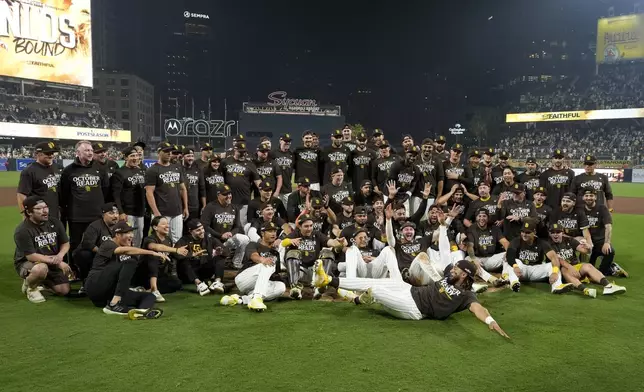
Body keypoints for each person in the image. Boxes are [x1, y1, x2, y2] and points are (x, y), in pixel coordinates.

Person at [310, 255, 509, 338]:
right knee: (378, 283)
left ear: (464, 274)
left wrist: (490, 321)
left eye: (457, 269)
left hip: (414, 310)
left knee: (376, 291)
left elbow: (478, 309)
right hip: (409, 292)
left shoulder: (467, 295)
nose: (453, 269)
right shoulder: (449, 277)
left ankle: (359, 299)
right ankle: (327, 280)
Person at [84, 221, 166, 319]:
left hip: (109, 294)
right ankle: (114, 305)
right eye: (127, 233)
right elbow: (125, 251)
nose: (131, 236)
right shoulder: (108, 244)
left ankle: (141, 312)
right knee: (130, 262)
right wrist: (152, 253)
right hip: (96, 285)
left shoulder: (130, 251)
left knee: (150, 296)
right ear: (117, 234)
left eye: (131, 233)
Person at [60, 140, 109, 272]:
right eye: (86, 150)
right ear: (77, 153)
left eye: (91, 150)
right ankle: (75, 270)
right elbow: (64, 193)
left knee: (98, 243)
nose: (90, 153)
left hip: (97, 215)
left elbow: (105, 190)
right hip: (77, 216)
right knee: (75, 244)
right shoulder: (68, 170)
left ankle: (96, 268)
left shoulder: (100, 168)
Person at [14, 196, 71, 303]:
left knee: (64, 290)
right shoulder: (22, 230)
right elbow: (31, 256)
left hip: (51, 261)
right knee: (40, 268)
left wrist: (60, 256)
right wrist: (58, 263)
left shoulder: (55, 222)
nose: (45, 211)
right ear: (29, 212)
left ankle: (41, 281)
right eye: (39, 209)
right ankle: (31, 288)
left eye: (45, 207)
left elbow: (65, 243)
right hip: (28, 262)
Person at [547, 223, 626, 297]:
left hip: (575, 267)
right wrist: (570, 267)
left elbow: (583, 250)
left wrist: (588, 248)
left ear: (562, 233)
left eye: (558, 232)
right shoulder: (548, 244)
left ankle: (608, 286)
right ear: (549, 234)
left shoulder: (569, 240)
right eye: (553, 232)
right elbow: (558, 260)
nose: (555, 234)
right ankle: (585, 290)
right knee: (564, 269)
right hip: (560, 271)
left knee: (588, 266)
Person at [222, 222, 287, 311]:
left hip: (258, 284)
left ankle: (242, 299)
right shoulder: (253, 244)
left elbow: (275, 275)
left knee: (281, 286)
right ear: (262, 233)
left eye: (275, 231)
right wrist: (262, 260)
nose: (273, 233)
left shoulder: (275, 252)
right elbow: (254, 256)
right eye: (270, 231)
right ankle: (257, 299)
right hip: (244, 279)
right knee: (268, 264)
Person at [281, 214, 346, 299]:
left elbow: (331, 242)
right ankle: (295, 288)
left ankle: (320, 286)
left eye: (311, 226)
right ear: (300, 227)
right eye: (306, 226)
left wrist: (339, 242)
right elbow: (283, 243)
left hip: (314, 271)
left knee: (328, 253)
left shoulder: (317, 234)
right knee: (292, 253)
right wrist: (290, 240)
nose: (309, 229)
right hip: (299, 271)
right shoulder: (295, 234)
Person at [503, 220, 574, 294]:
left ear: (534, 232)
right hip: (521, 270)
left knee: (552, 265)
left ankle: (556, 287)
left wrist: (555, 272)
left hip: (535, 270)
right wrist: (515, 266)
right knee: (512, 260)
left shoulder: (541, 242)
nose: (524, 234)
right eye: (523, 232)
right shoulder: (516, 241)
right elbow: (510, 255)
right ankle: (514, 283)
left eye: (527, 232)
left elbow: (553, 257)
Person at [145, 141, 189, 244]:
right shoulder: (152, 170)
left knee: (177, 240)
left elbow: (183, 189)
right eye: (166, 151)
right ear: (159, 152)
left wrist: (185, 207)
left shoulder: (176, 168)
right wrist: (156, 212)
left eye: (170, 151)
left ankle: (174, 260)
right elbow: (149, 192)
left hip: (177, 212)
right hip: (162, 212)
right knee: (160, 240)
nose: (169, 154)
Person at [200, 184, 250, 269]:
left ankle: (236, 263)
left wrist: (231, 233)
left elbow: (237, 226)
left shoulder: (234, 207)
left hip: (227, 240)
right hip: (213, 241)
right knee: (213, 267)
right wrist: (220, 235)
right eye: (225, 194)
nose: (229, 196)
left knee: (245, 239)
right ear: (218, 195)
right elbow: (205, 226)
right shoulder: (210, 207)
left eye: (230, 194)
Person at [139, 216, 187, 302]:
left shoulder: (168, 239)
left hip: (160, 275)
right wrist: (176, 250)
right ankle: (154, 289)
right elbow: (156, 247)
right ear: (155, 227)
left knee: (177, 283)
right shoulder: (149, 239)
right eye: (164, 224)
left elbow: (170, 256)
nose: (167, 226)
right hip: (146, 274)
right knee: (154, 256)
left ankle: (146, 291)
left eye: (168, 224)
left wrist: (190, 254)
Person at [581, 188, 628, 277]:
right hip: (586, 241)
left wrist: (607, 243)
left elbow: (608, 227)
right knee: (586, 270)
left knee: (609, 251)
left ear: (595, 197)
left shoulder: (602, 208)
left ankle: (603, 271)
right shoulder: (580, 209)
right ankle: (612, 268)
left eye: (591, 195)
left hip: (599, 241)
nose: (589, 198)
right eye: (586, 196)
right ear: (583, 197)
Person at [72, 203, 120, 288]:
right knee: (84, 255)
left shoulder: (120, 226)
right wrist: (103, 253)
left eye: (117, 213)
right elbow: (87, 243)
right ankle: (86, 282)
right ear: (103, 214)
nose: (115, 216)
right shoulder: (95, 226)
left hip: (112, 253)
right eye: (111, 213)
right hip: (94, 254)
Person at [175, 219, 226, 296]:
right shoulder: (184, 240)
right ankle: (199, 284)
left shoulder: (208, 237)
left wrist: (220, 251)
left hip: (204, 269)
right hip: (190, 272)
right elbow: (175, 254)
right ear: (190, 231)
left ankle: (217, 283)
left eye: (202, 228)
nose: (202, 231)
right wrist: (191, 255)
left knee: (220, 257)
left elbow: (226, 250)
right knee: (184, 261)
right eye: (198, 230)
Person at [465, 208, 514, 288]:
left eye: (484, 216)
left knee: (509, 253)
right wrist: (474, 258)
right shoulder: (471, 229)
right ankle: (493, 279)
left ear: (488, 218)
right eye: (479, 216)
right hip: (478, 259)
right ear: (476, 218)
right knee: (467, 259)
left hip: (491, 259)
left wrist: (508, 251)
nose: (482, 218)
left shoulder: (494, 228)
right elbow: (469, 246)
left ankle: (505, 277)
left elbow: (505, 242)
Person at [111, 146, 146, 246]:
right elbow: (116, 194)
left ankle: (136, 259)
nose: (135, 158)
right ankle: (125, 259)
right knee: (126, 239)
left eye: (136, 155)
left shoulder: (141, 171)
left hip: (140, 212)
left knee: (139, 238)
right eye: (132, 156)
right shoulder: (119, 173)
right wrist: (121, 212)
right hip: (128, 212)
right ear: (126, 158)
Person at [17, 141, 62, 219]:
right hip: (39, 215)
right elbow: (21, 195)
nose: (51, 156)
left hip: (55, 215)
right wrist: (25, 215)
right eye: (48, 154)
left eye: (52, 153)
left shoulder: (56, 167)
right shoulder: (29, 171)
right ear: (38, 154)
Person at [221, 141, 261, 226]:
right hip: (228, 199)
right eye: (241, 152)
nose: (243, 154)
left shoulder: (250, 164)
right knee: (228, 223)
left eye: (244, 152)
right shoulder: (225, 162)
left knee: (242, 224)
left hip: (244, 200)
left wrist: (263, 191)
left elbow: (257, 181)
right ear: (235, 150)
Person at [411, 139, 444, 219]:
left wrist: (439, 196)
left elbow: (440, 179)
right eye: (425, 147)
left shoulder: (437, 161)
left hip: (431, 195)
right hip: (416, 195)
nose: (427, 149)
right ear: (421, 147)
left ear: (433, 148)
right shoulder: (415, 159)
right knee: (415, 218)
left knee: (427, 219)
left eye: (429, 147)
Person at [181, 147, 206, 226]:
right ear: (183, 157)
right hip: (181, 206)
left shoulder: (198, 170)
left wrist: (204, 205)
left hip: (195, 206)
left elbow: (202, 189)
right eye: (188, 156)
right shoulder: (178, 169)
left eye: (192, 156)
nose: (190, 158)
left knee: (194, 229)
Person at [272, 134, 295, 207]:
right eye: (285, 141)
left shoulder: (292, 155)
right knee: (274, 211)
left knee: (288, 210)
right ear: (280, 141)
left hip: (287, 189)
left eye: (289, 141)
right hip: (274, 189)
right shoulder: (273, 153)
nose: (287, 143)